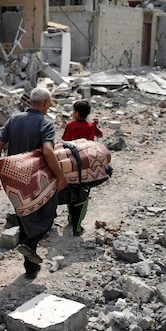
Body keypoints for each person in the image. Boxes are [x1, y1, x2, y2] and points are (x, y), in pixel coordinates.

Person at [0, 87, 68, 280]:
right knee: (48, 216)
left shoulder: (13, 120)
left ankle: (30, 271)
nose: (49, 106)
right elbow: (48, 152)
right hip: (38, 181)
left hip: (15, 182)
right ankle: (29, 244)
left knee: (25, 216)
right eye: (49, 103)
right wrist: (61, 177)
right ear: (44, 103)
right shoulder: (46, 123)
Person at [61, 100, 103, 236]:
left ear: (77, 113)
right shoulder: (91, 126)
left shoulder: (70, 125)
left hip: (72, 164)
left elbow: (64, 142)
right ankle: (77, 226)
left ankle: (71, 219)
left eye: (73, 111)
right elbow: (100, 135)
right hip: (87, 165)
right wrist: (95, 125)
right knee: (84, 194)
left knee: (71, 191)